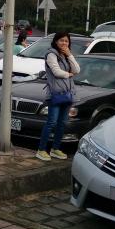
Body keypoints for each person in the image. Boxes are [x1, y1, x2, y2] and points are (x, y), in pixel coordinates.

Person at [36, 31, 80, 162]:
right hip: (55, 94)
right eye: (61, 40)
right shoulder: (51, 54)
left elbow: (77, 70)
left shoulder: (66, 56)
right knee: (52, 122)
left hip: (68, 93)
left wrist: (70, 55)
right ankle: (41, 150)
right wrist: (69, 74)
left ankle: (55, 149)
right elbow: (56, 72)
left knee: (62, 123)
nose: (64, 43)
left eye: (66, 41)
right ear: (56, 41)